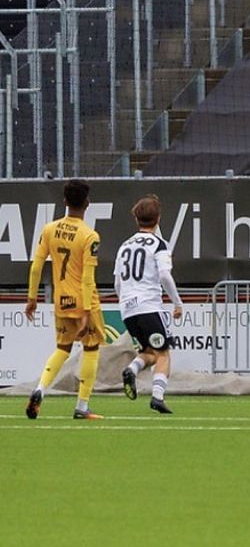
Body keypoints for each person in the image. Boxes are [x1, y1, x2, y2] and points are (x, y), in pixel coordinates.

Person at [25, 179, 105, 420]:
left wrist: (32, 297)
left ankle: (40, 389)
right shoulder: (90, 236)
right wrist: (87, 310)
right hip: (83, 301)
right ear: (87, 204)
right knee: (91, 348)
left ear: (64, 202)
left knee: (62, 348)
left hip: (61, 301)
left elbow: (37, 266)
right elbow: (88, 278)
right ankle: (82, 406)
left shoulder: (49, 229)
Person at [114, 195, 183, 414]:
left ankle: (131, 369)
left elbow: (117, 282)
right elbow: (164, 275)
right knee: (163, 354)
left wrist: (124, 302)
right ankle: (157, 397)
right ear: (158, 219)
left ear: (136, 219)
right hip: (149, 306)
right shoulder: (159, 244)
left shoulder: (124, 245)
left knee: (149, 353)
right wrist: (177, 302)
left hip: (127, 308)